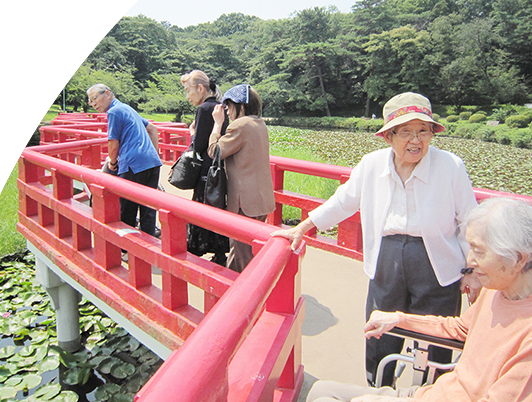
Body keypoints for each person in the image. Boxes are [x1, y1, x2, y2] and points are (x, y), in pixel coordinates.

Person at [272, 92, 479, 387]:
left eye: (423, 131)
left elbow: (470, 220)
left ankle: (434, 390)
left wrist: (474, 269)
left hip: (437, 262)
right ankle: (379, 386)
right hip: (387, 258)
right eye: (406, 132)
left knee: (437, 338)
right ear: (388, 136)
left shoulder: (450, 166)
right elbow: (343, 201)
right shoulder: (372, 165)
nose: (416, 140)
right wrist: (303, 227)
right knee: (381, 331)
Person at [306, 197, 532, 402]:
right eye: (470, 248)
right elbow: (459, 328)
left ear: (518, 259)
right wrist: (399, 319)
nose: (470, 261)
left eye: (479, 252)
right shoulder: (495, 289)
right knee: (320, 390)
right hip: (436, 393)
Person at [208, 84, 275, 272]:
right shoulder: (259, 124)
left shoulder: (240, 125)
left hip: (244, 202)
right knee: (243, 250)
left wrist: (217, 125)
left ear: (242, 107)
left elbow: (214, 151)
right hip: (261, 199)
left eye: (229, 107)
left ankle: (247, 287)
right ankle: (233, 283)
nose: (228, 112)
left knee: (242, 252)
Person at [87, 84, 162, 236]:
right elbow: (152, 129)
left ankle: (127, 246)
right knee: (148, 210)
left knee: (127, 210)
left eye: (94, 98)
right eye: (90, 101)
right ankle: (148, 245)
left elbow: (113, 143)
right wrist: (153, 154)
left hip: (133, 165)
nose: (93, 104)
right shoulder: (127, 108)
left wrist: (113, 163)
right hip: (152, 163)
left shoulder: (114, 112)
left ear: (107, 93)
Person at [180, 70, 229, 265]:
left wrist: (192, 133)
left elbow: (199, 144)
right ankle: (220, 252)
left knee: (201, 209)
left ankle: (195, 251)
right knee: (218, 208)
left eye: (188, 90)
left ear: (200, 88)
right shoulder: (220, 107)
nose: (187, 96)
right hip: (220, 168)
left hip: (205, 172)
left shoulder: (203, 109)